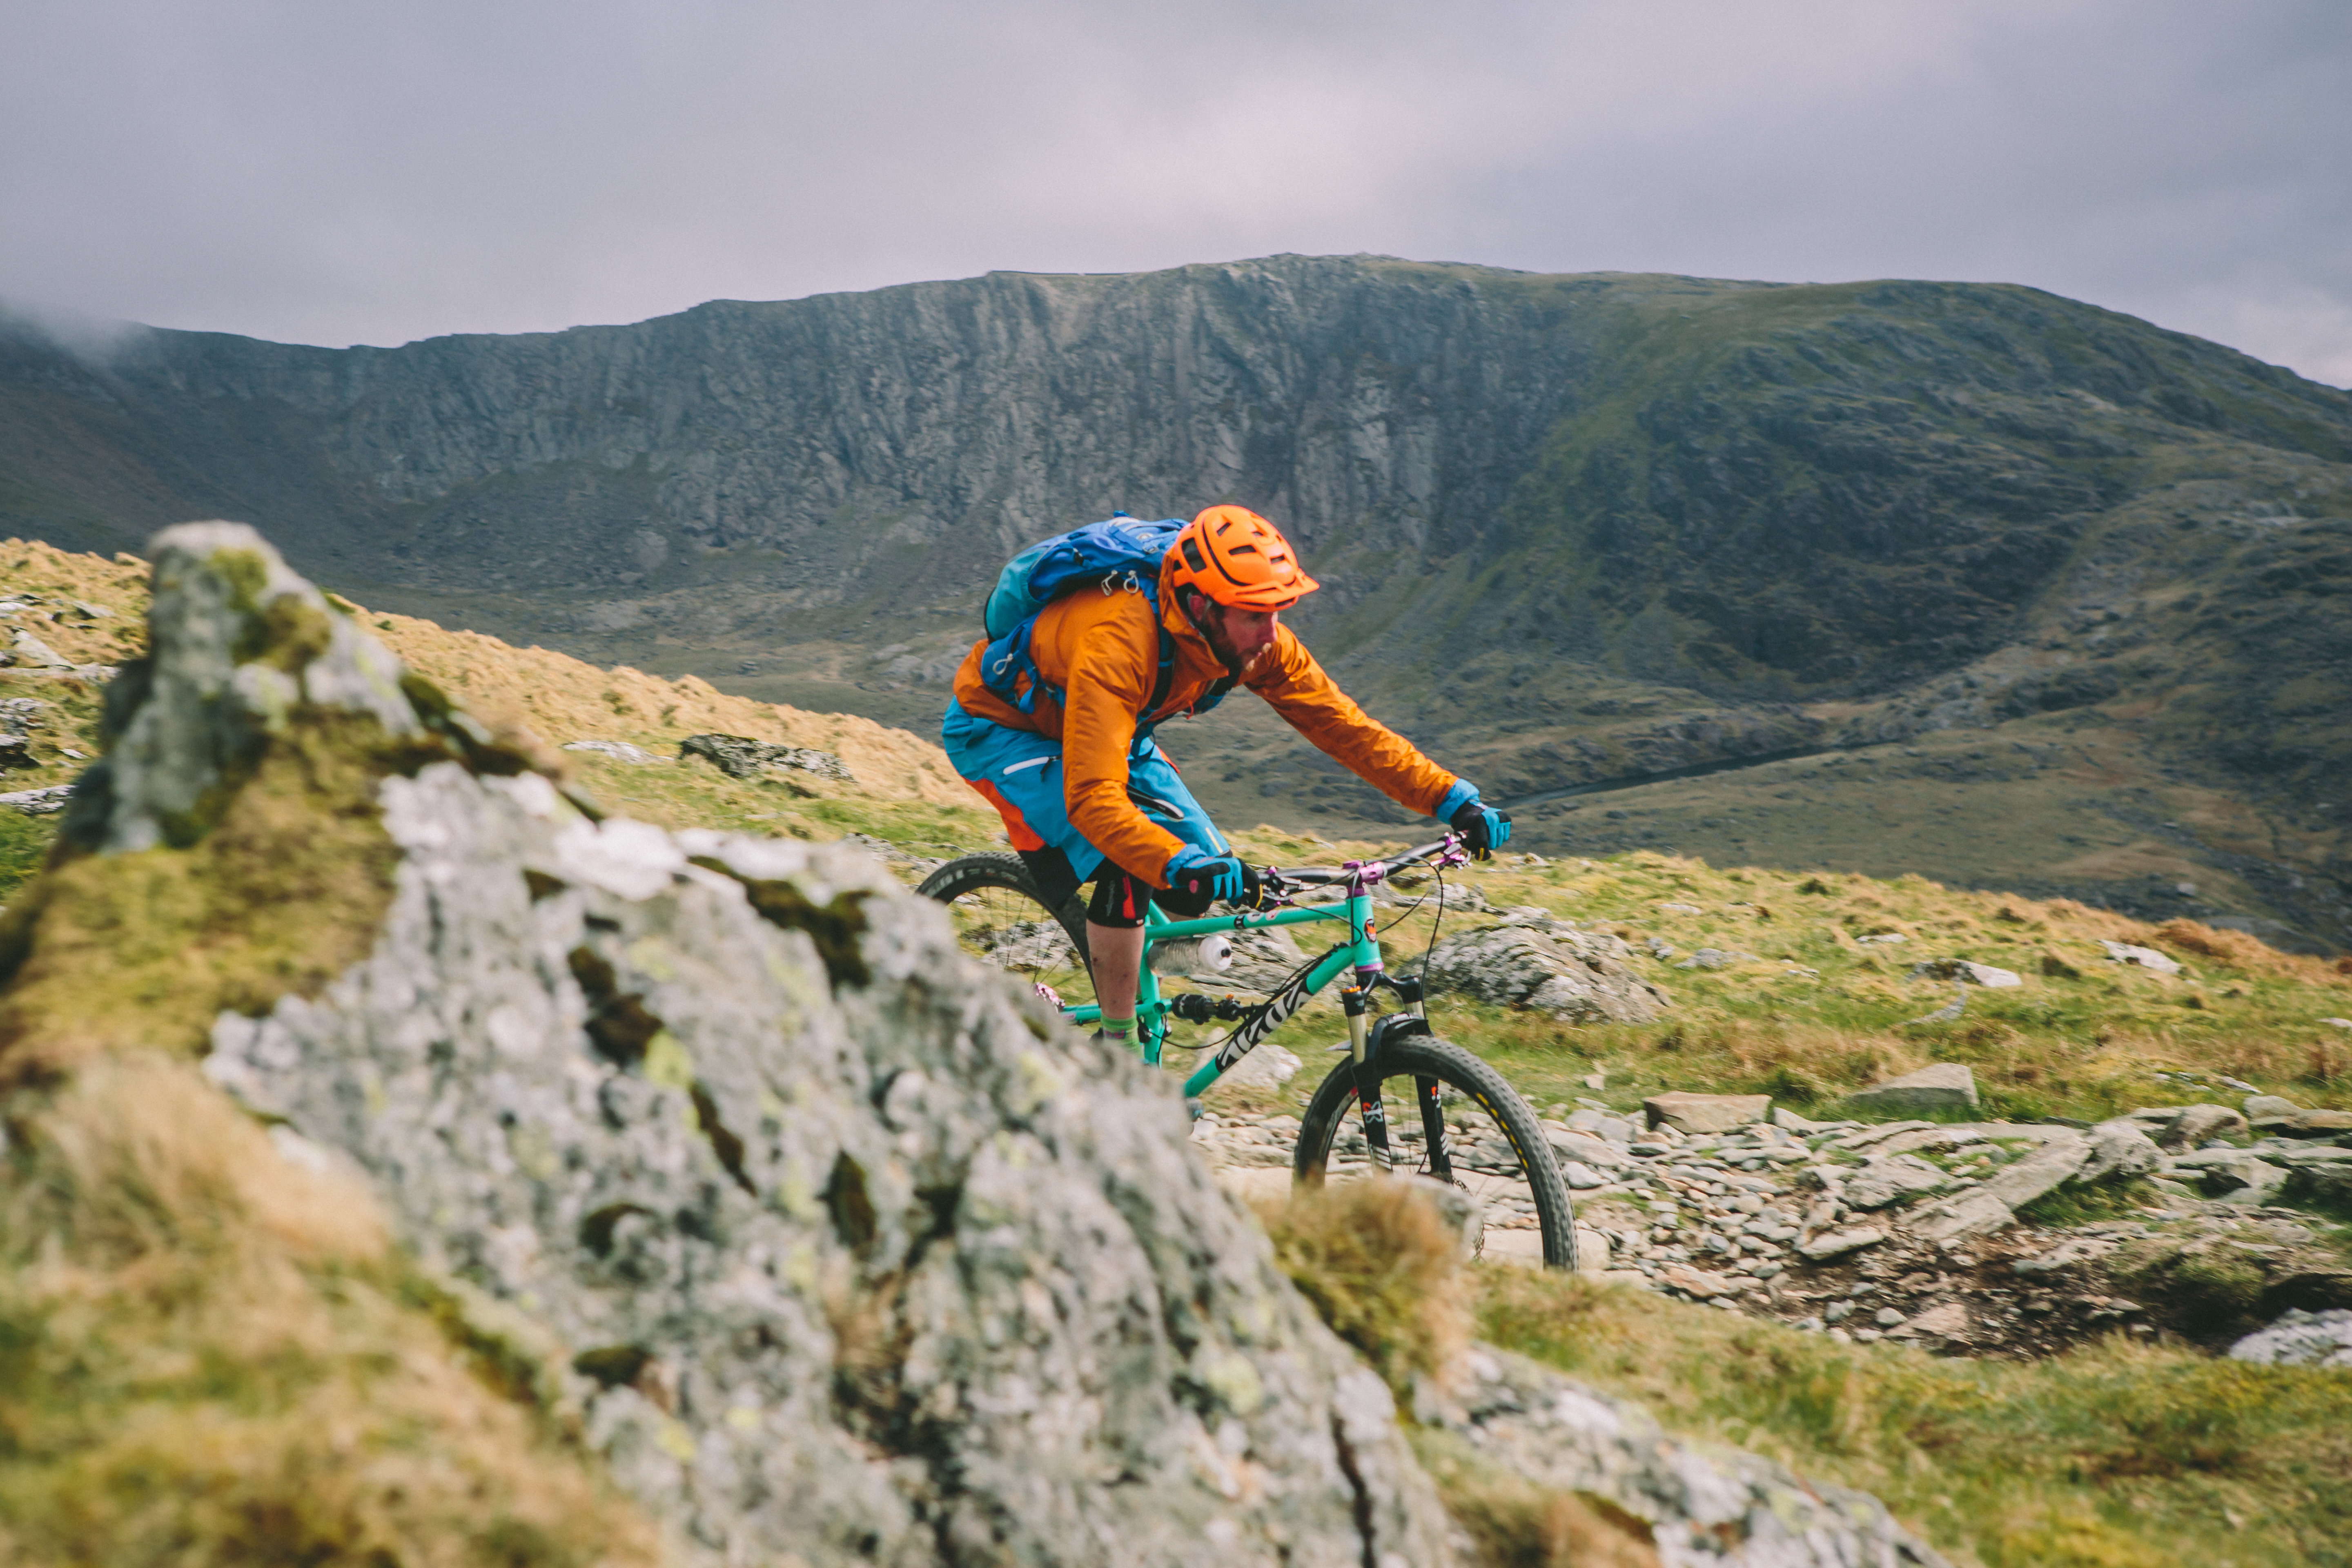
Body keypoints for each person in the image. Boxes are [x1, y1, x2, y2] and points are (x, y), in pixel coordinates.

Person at [941, 504, 1508, 1046]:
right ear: (1198, 604)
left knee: (1203, 871)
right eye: (1254, 616)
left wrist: (1452, 799)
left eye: (1276, 613)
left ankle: (1132, 995)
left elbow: (1345, 728)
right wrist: (1172, 862)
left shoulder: (1258, 645)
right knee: (1133, 859)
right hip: (1004, 728)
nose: (1270, 633)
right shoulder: (1120, 639)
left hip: (1113, 730)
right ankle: (1118, 1051)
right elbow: (1093, 799)